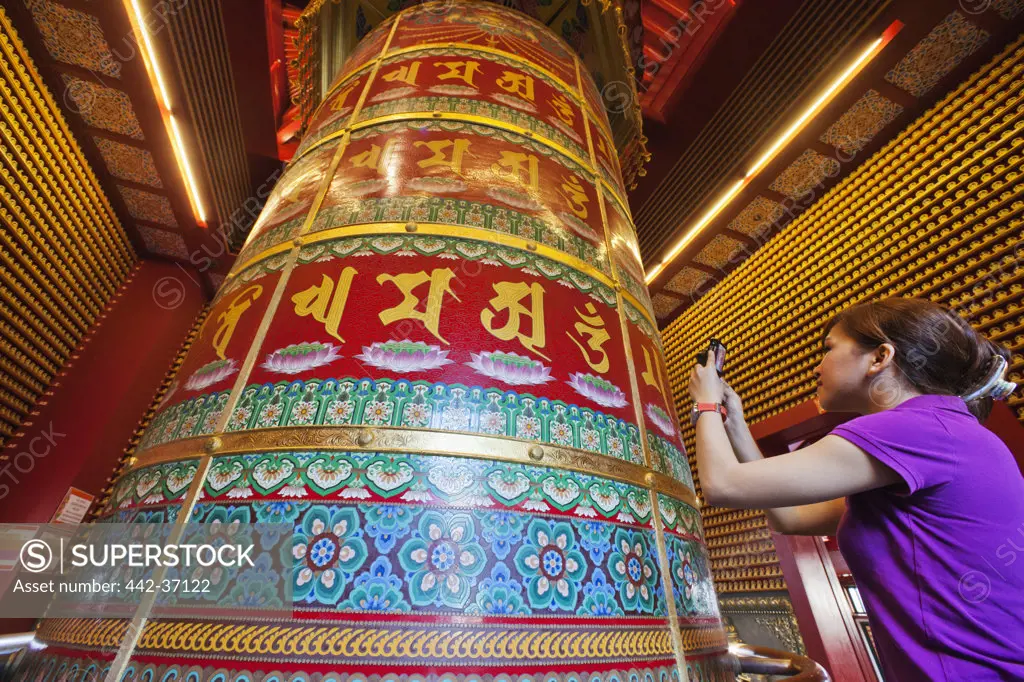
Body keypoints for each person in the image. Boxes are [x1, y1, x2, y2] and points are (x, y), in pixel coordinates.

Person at [687, 297, 1024, 681]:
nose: (817, 366)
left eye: (828, 348)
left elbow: (721, 485)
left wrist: (705, 404)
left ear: (880, 357)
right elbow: (790, 517)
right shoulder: (942, 432)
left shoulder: (910, 429)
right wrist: (735, 425)